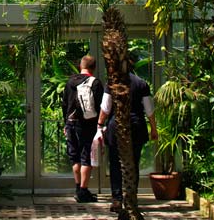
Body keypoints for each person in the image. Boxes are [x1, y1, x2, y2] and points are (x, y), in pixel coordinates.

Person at [96, 61, 158, 214]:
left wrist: (99, 124)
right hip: (136, 126)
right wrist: (154, 129)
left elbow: (105, 107)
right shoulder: (141, 83)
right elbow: (149, 109)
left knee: (115, 164)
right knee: (133, 162)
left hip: (115, 126)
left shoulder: (112, 83)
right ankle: (131, 197)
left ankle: (117, 199)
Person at [62, 54, 104, 203]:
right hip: (87, 124)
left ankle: (78, 188)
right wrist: (100, 125)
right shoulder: (95, 83)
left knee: (75, 157)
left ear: (81, 66)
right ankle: (83, 192)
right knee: (86, 156)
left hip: (71, 123)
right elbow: (101, 106)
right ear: (93, 68)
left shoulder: (70, 82)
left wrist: (65, 123)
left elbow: (65, 104)